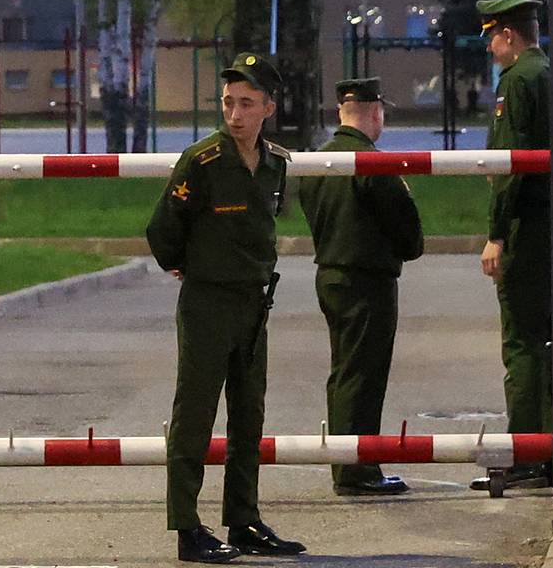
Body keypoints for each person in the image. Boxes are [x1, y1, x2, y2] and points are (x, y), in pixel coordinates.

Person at [146, 53, 306, 564]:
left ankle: (244, 519)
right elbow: (163, 227)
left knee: (248, 413)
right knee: (195, 413)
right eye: (228, 103)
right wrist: (185, 264)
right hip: (208, 301)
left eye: (247, 104)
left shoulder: (276, 163)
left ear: (268, 109)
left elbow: (267, 222)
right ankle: (187, 528)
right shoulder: (203, 160)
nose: (235, 114)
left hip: (254, 301)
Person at [299, 77, 423, 497]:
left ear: (340, 112)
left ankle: (346, 458)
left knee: (343, 372)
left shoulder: (316, 163)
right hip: (368, 280)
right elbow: (408, 232)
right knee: (363, 376)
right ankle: (357, 468)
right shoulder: (373, 164)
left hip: (329, 273)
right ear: (375, 113)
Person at [474, 0, 551, 490]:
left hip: (526, 226)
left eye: (492, 38)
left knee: (522, 343)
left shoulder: (518, 80)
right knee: (548, 340)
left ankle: (527, 450)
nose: (491, 49)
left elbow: (510, 164)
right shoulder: (548, 71)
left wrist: (496, 234)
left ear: (507, 34)